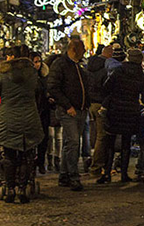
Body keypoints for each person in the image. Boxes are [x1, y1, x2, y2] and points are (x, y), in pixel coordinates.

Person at [0, 45, 44, 204]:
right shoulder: (33, 74)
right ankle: (23, 188)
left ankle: (10, 188)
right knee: (27, 155)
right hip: (29, 118)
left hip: (8, 118)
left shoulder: (2, 75)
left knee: (8, 154)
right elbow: (39, 95)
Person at [100, 48, 144, 183]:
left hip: (115, 110)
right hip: (130, 111)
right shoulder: (142, 77)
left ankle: (107, 173)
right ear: (140, 60)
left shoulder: (118, 71)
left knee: (110, 142)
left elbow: (106, 88)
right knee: (126, 143)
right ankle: (124, 174)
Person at [48, 38, 90, 191]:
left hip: (80, 109)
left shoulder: (77, 66)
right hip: (68, 111)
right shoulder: (61, 65)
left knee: (69, 143)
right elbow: (53, 87)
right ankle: (73, 176)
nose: (84, 51)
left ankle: (64, 175)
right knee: (73, 143)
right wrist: (67, 105)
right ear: (74, 50)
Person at [87, 44, 110, 177]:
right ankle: (96, 167)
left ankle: (96, 163)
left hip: (91, 103)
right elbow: (106, 87)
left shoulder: (91, 66)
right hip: (101, 104)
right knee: (102, 136)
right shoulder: (105, 69)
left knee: (96, 135)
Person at [30, 51, 51, 174]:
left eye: (38, 62)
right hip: (32, 112)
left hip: (43, 111)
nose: (36, 64)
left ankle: (41, 162)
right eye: (34, 62)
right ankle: (32, 163)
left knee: (43, 139)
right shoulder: (28, 78)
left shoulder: (44, 76)